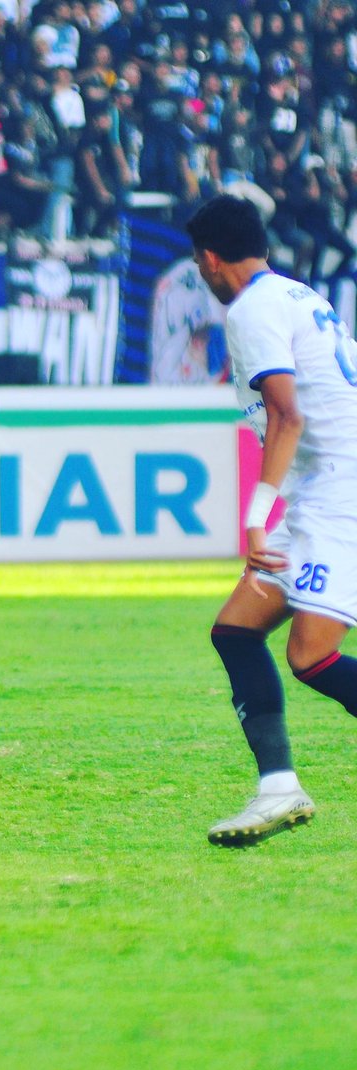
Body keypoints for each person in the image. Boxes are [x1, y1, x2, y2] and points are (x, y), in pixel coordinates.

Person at [188, 194, 357, 848]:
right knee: (234, 631)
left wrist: (256, 518)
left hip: (339, 492)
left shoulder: (253, 309)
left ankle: (279, 787)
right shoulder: (294, 293)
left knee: (312, 656)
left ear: (208, 258)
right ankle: (278, 788)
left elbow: (288, 415)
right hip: (325, 485)